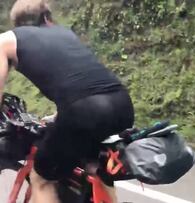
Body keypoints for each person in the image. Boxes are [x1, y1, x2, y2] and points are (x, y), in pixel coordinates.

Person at [0, 0, 134, 202]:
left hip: (84, 113)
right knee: (96, 168)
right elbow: (81, 80)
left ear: (17, 24)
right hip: (123, 106)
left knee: (41, 177)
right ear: (47, 17)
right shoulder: (65, 34)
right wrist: (59, 116)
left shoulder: (6, 40)